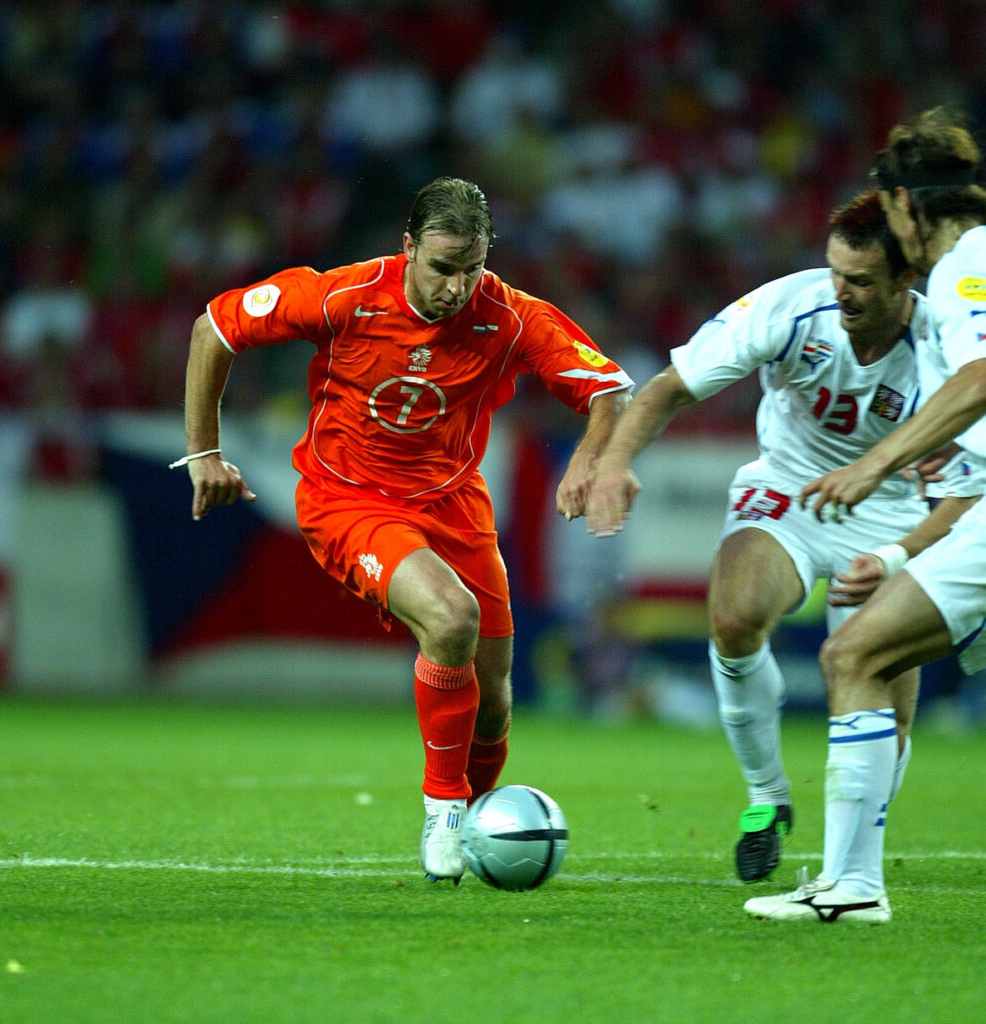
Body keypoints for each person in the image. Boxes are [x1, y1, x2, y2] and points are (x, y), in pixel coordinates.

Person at [177, 176, 633, 883]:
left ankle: (480, 822)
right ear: (408, 248)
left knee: (494, 696)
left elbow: (609, 389)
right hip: (347, 499)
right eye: (441, 267)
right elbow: (215, 327)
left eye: (471, 268)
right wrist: (204, 452)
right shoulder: (343, 294)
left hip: (455, 506)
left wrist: (589, 460)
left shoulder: (509, 317)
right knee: (451, 620)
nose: (456, 287)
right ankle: (443, 814)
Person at [585, 190, 981, 885]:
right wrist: (615, 464)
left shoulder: (947, 349)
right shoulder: (790, 307)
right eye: (836, 273)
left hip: (895, 517)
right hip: (788, 492)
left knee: (882, 699)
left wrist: (900, 552)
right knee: (733, 619)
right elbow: (665, 389)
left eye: (860, 281)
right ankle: (767, 798)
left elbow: (965, 493)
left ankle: (845, 866)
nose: (842, 292)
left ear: (903, 281)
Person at [744, 107, 986, 923]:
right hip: (975, 509)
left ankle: (852, 889)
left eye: (889, 214)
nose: (892, 234)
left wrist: (873, 461)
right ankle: (849, 885)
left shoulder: (964, 268)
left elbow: (980, 380)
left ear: (911, 206)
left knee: (853, 656)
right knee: (860, 656)